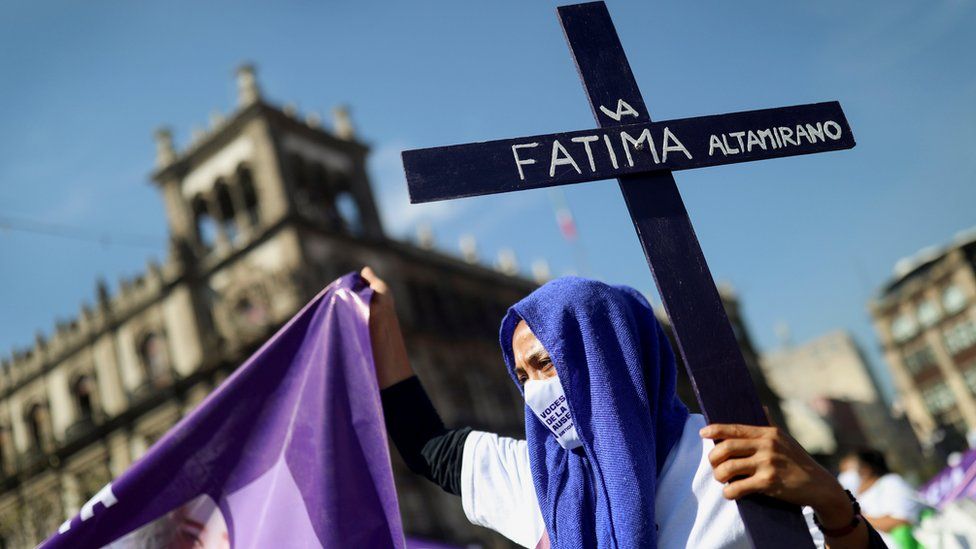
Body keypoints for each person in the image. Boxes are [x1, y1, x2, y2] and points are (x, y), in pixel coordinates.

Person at [362, 268, 884, 548]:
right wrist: (379, 324)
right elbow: (426, 446)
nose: (534, 392)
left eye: (546, 364)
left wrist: (833, 504)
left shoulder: (727, 457)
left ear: (606, 357)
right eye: (521, 377)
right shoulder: (546, 480)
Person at [850, 449, 922, 548]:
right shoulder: (861, 495)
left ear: (866, 468)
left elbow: (901, 519)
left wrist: (858, 518)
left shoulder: (892, 483)